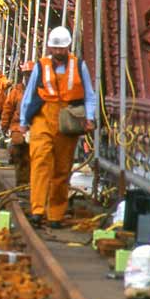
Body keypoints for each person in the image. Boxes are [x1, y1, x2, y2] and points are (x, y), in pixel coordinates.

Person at [19, 27, 96, 228]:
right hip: (43, 119)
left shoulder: (79, 66)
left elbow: (89, 94)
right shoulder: (41, 66)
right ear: (50, 47)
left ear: (68, 47)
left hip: (67, 121)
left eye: (62, 48)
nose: (59, 52)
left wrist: (90, 117)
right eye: (56, 48)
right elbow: (29, 95)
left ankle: (55, 214)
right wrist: (23, 122)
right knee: (40, 163)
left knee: (62, 169)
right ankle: (37, 210)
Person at [1, 62, 33, 188]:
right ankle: (21, 183)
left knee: (32, 157)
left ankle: (30, 183)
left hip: (35, 128)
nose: (29, 77)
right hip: (17, 127)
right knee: (18, 154)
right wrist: (4, 126)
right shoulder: (17, 91)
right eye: (26, 74)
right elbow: (7, 109)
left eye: (31, 74)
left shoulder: (40, 91)